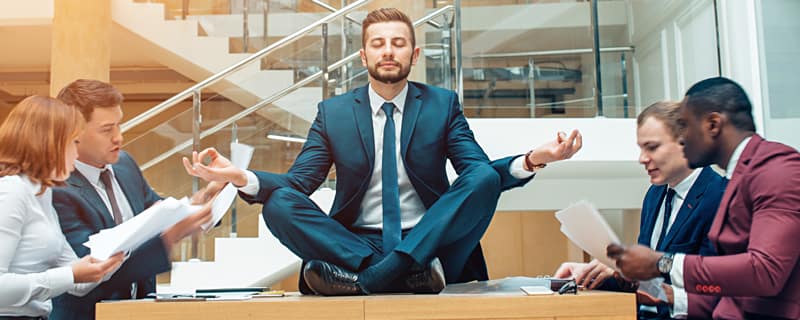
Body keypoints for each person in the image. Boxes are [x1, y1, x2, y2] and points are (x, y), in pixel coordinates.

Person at [183, 7, 582, 296]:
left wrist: (532, 160)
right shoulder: (333, 113)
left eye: (398, 43)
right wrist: (240, 178)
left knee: (480, 179)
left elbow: (478, 173)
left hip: (432, 242)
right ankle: (395, 271)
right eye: (378, 44)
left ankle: (372, 280)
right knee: (278, 204)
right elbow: (299, 184)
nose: (388, 50)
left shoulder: (442, 105)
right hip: (356, 244)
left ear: (414, 54)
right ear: (364, 56)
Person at [608, 77, 800, 319]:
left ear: (713, 125)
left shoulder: (777, 169)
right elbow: (729, 293)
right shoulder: (738, 178)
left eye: (685, 126)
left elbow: (765, 272)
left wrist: (663, 263)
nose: (682, 139)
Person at [49, 79, 216, 320]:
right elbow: (89, 272)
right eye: (107, 129)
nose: (118, 137)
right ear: (73, 132)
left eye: (119, 125)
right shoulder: (57, 188)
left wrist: (204, 199)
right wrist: (169, 237)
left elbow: (157, 212)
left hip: (138, 310)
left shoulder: (124, 164)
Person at [555, 101, 725, 319]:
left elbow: (721, 294)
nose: (642, 159)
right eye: (641, 148)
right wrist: (607, 273)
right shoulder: (655, 195)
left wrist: (650, 286)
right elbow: (647, 280)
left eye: (652, 147)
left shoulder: (720, 198)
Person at [0, 96, 124, 318]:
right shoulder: (12, 191)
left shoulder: (42, 194)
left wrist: (106, 264)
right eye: (75, 142)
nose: (77, 154)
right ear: (47, 142)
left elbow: (77, 281)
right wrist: (70, 275)